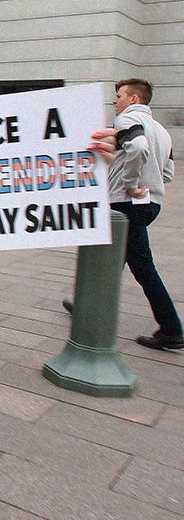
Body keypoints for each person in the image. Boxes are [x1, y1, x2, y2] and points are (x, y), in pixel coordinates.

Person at [109, 78, 181, 350]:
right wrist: (149, 187)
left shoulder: (126, 121)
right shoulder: (162, 131)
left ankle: (172, 329)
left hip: (124, 203)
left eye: (119, 96)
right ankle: (86, 303)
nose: (115, 101)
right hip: (150, 204)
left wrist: (130, 185)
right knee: (112, 255)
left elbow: (137, 148)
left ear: (133, 99)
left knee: (142, 265)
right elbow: (168, 173)